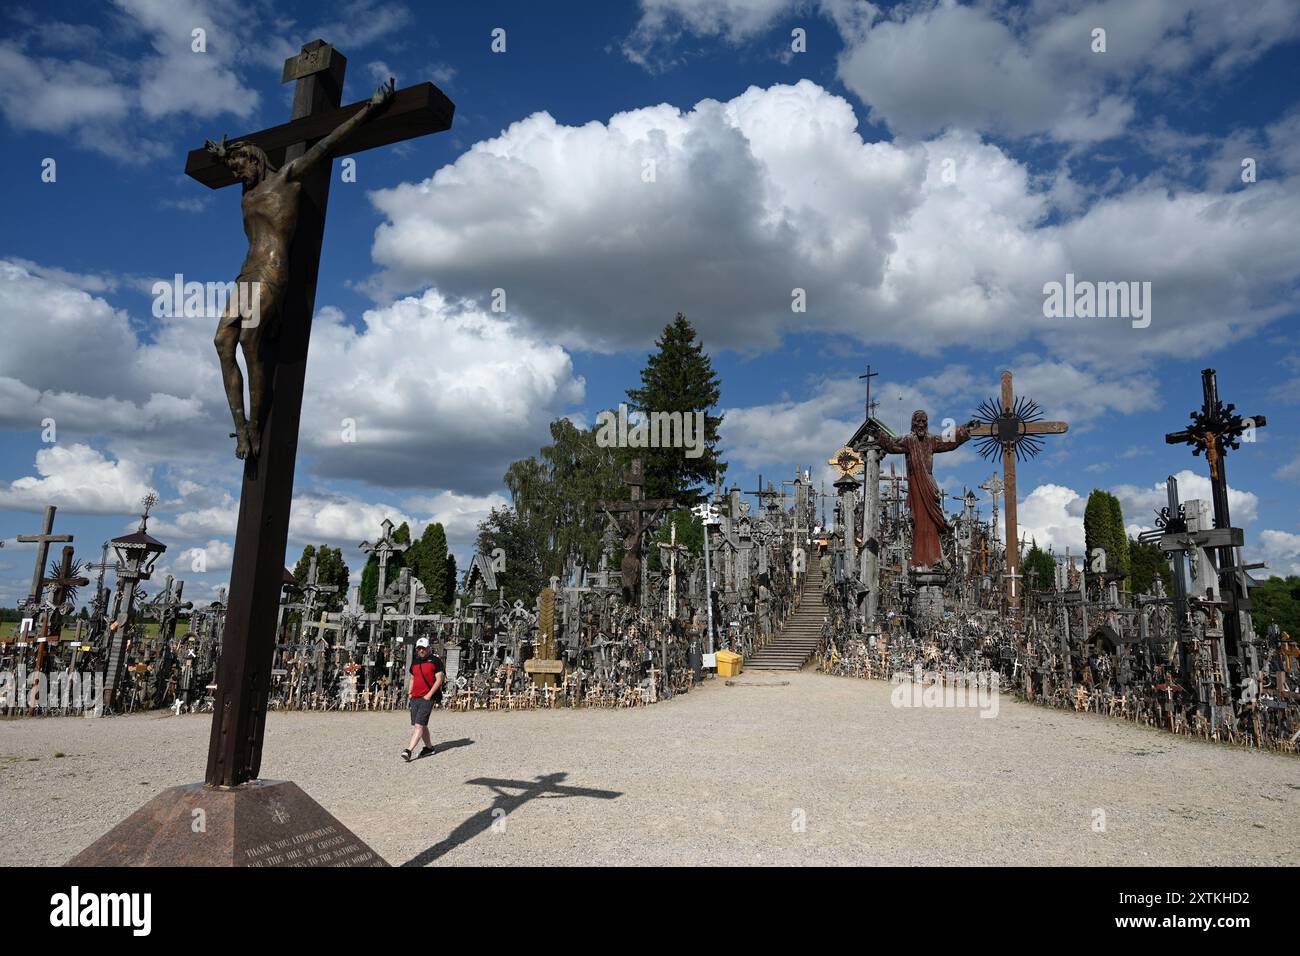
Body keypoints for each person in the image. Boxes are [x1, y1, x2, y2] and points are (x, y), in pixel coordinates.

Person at [403, 637, 444, 762]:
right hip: (415, 697)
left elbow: (439, 679)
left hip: (427, 697)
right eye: (419, 648)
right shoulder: (415, 662)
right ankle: (429, 748)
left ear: (428, 648)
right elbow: (413, 678)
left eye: (423, 648)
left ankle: (408, 750)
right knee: (421, 724)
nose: (421, 650)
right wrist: (410, 692)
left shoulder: (435, 661)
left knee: (419, 725)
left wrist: (429, 695)